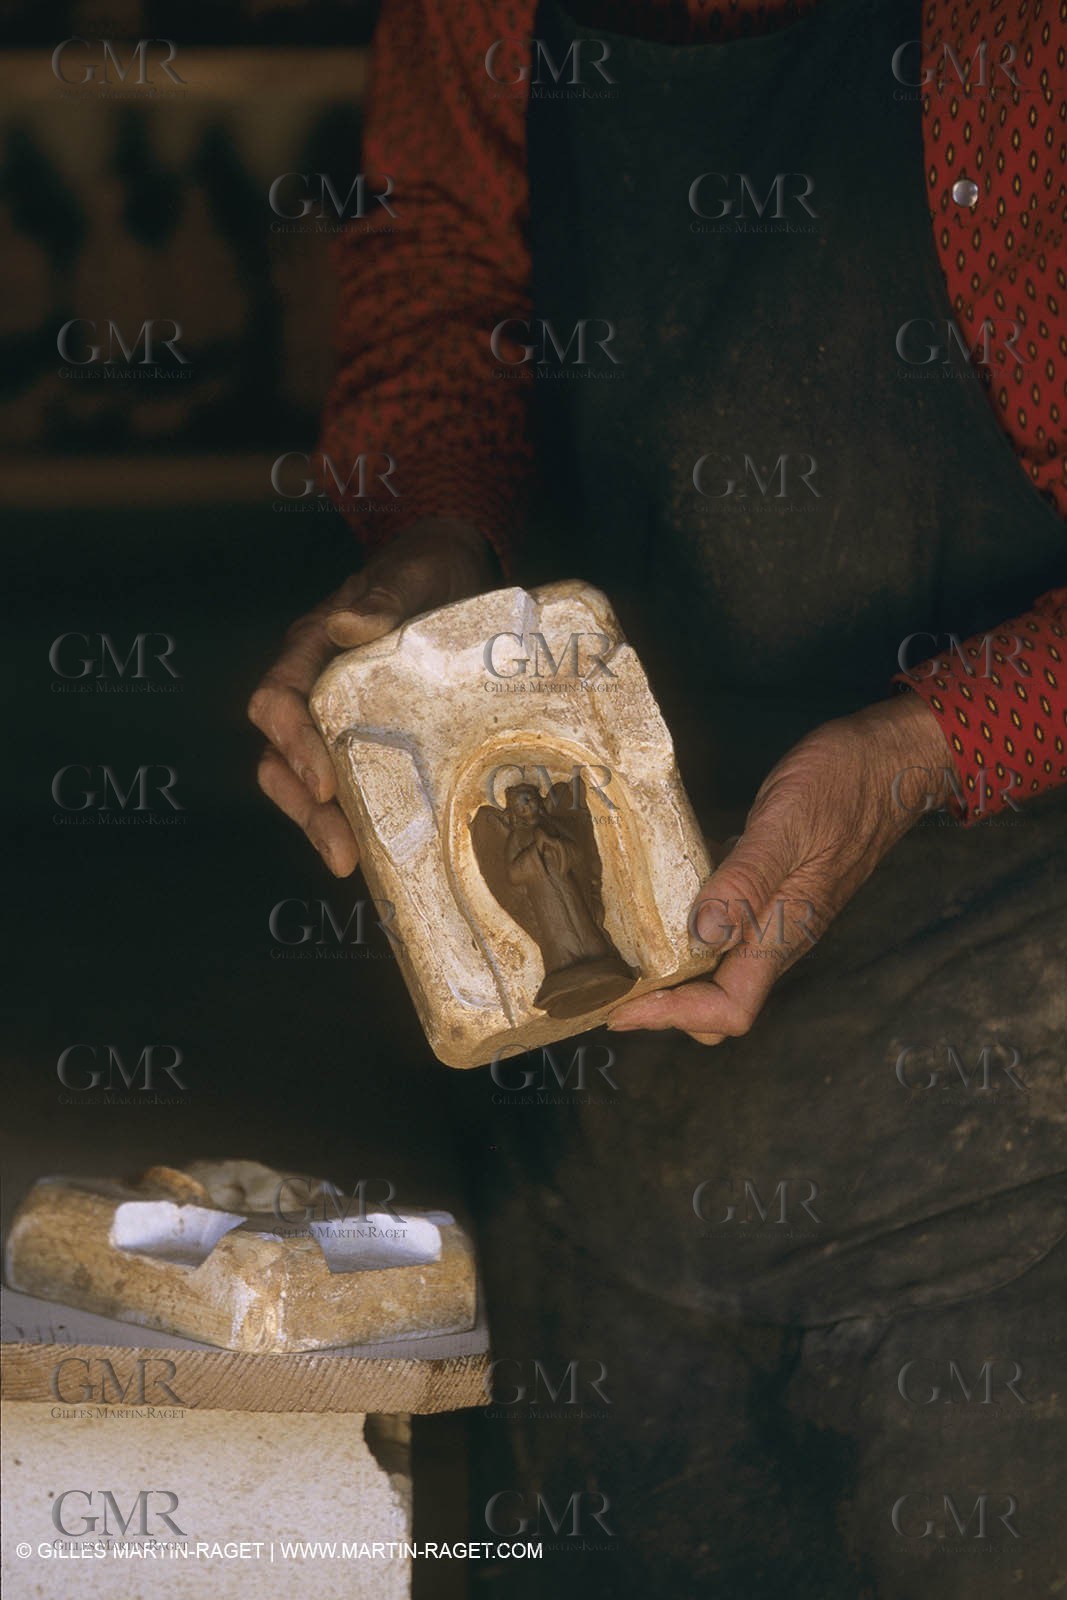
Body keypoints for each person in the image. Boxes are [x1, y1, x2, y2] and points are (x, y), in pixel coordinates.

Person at [249, 2, 1067, 1593]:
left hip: (1014, 1139)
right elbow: (441, 274)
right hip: (602, 1148)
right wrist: (436, 554)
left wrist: (918, 749)